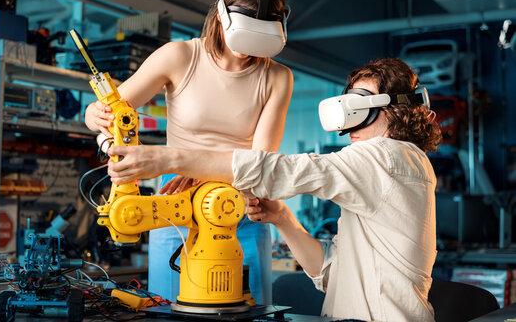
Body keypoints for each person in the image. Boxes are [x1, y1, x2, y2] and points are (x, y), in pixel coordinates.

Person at [105, 58, 442, 321]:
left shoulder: (389, 157)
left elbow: (280, 169)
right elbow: (330, 272)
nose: (350, 123)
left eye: (361, 109)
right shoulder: (383, 170)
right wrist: (283, 218)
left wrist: (168, 159)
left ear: (397, 109)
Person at [84, 0, 293, 305]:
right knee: (170, 310)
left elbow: (260, 165)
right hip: (175, 211)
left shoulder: (278, 77)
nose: (247, 48)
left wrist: (198, 176)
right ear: (221, 14)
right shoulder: (179, 56)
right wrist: (94, 117)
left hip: (242, 211)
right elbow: (113, 117)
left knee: (250, 312)